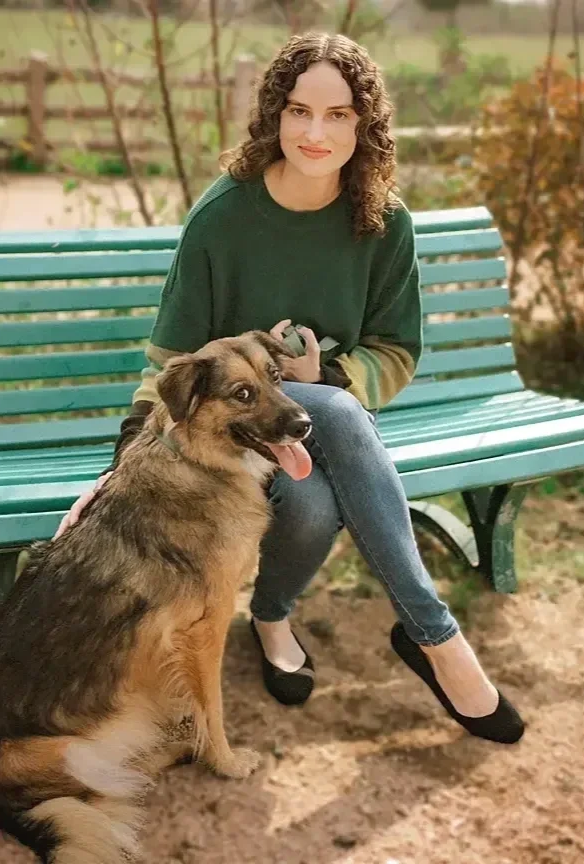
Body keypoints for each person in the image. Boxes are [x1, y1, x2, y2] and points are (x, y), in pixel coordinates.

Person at [54, 32, 524, 744]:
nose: (314, 132)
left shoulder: (383, 222)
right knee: (321, 444)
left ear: (363, 125)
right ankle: (435, 639)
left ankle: (270, 614)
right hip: (230, 437)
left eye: (337, 115)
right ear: (274, 113)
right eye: (299, 110)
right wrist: (118, 468)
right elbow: (172, 361)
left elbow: (396, 349)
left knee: (313, 486)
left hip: (326, 429)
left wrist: (321, 376)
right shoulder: (223, 218)